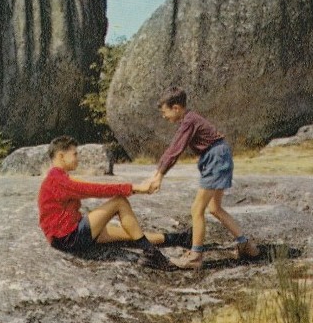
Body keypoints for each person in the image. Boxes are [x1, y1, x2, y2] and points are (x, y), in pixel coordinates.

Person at [146, 87, 259, 270]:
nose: (163, 116)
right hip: (219, 155)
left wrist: (160, 174)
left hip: (216, 158)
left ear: (176, 108)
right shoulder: (190, 118)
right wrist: (158, 171)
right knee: (214, 208)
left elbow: (176, 148)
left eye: (164, 111)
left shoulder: (188, 121)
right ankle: (246, 245)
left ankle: (195, 256)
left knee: (197, 210)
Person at [38, 135, 189, 270]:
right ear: (61, 156)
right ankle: (151, 254)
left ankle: (179, 238)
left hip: (67, 236)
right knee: (119, 202)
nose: (78, 158)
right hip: (69, 237)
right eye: (75, 154)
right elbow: (96, 190)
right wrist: (135, 188)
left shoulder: (57, 178)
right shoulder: (57, 180)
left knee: (132, 234)